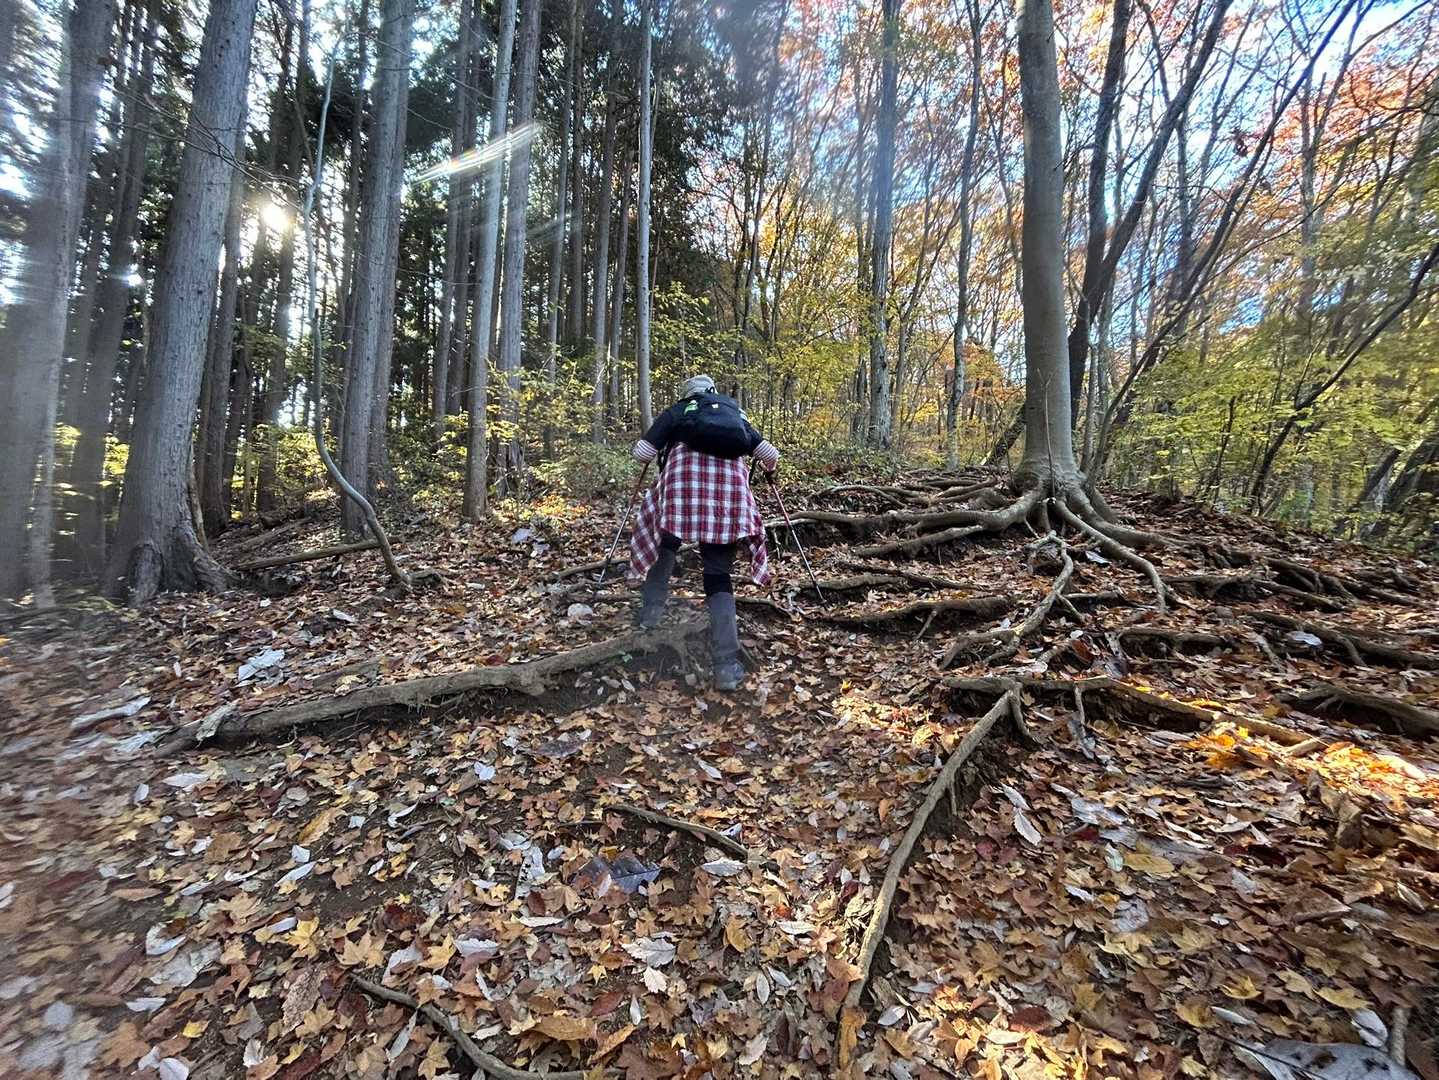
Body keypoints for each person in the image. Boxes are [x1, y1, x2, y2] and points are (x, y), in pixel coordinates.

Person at [628, 374, 780, 690]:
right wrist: (769, 469)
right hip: (729, 496)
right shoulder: (735, 414)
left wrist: (655, 444)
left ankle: (649, 618)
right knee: (718, 573)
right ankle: (725, 667)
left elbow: (642, 453)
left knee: (665, 543)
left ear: (688, 394)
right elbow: (770, 454)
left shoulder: (679, 411)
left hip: (682, 490)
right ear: (713, 393)